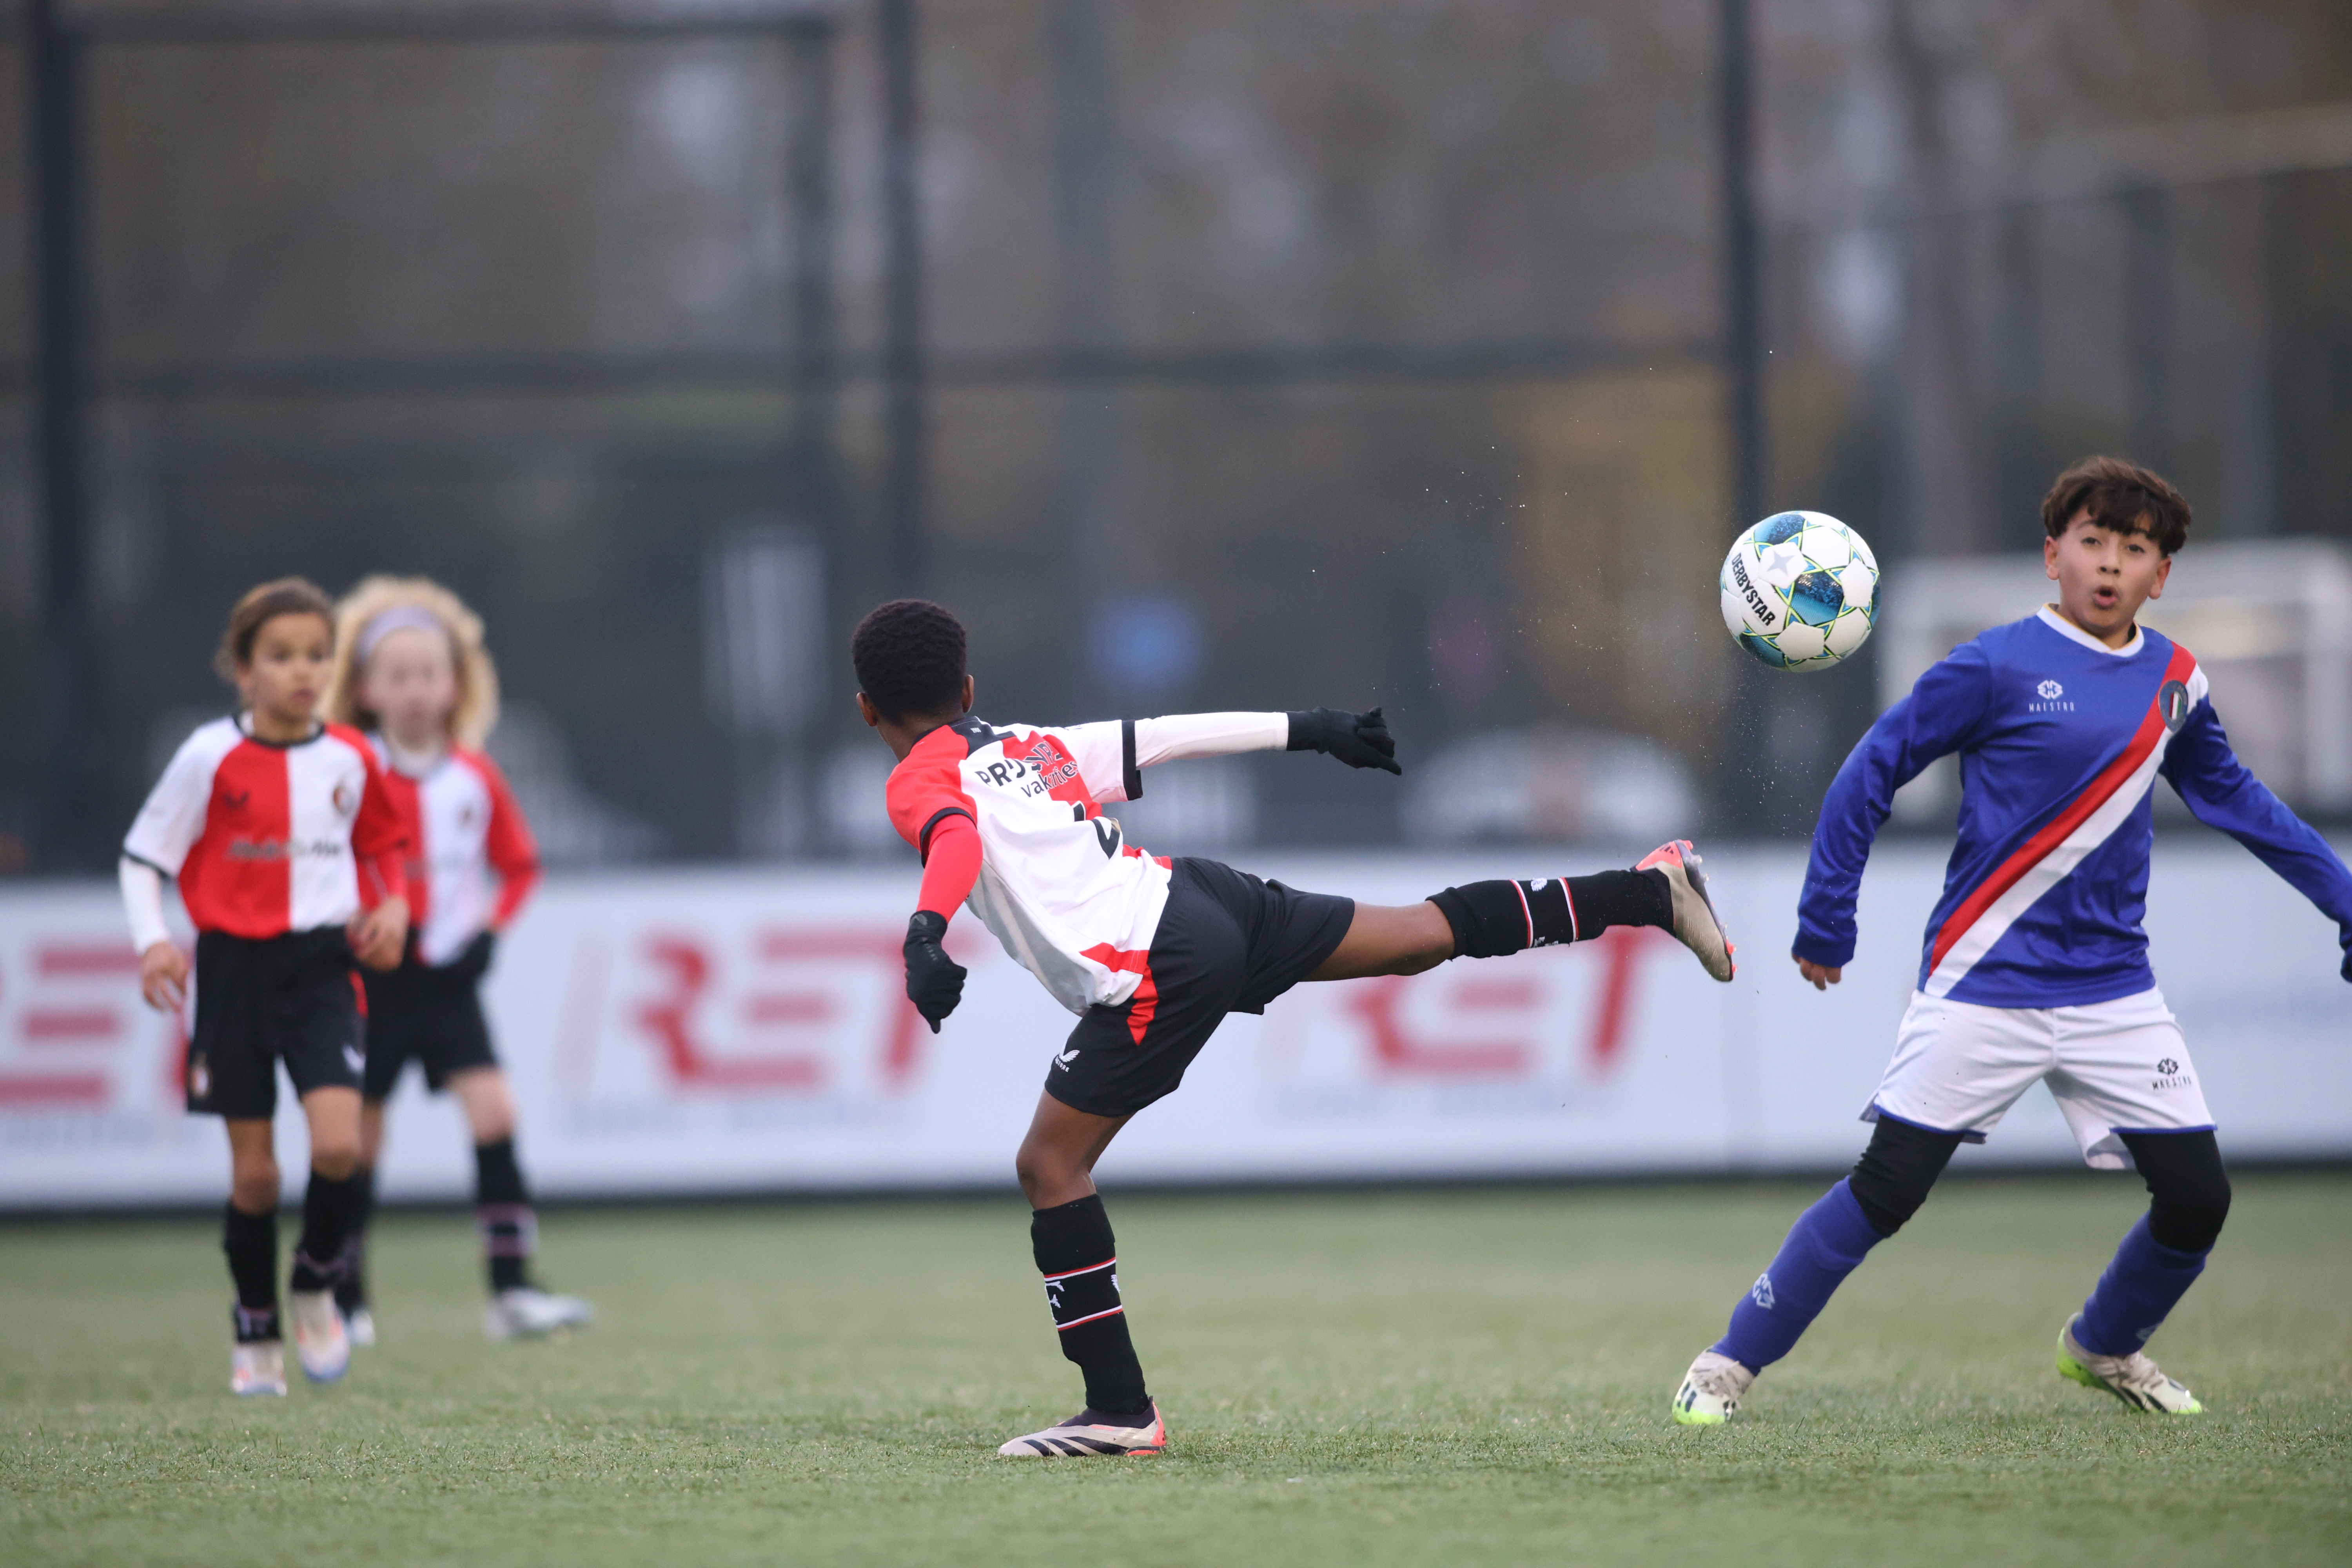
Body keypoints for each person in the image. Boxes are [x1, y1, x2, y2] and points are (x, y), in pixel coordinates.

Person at [852, 597, 1738, 1459]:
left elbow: (955, 840)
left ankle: (1119, 1410)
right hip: (1203, 896)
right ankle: (1648, 890)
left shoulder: (916, 777)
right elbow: (1169, 733)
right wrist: (1314, 728)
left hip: (1157, 963)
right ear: (969, 690)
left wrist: (926, 930)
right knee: (1419, 934)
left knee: (1050, 1165)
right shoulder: (1030, 745)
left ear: (867, 710)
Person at [1671, 457, 2352, 1425]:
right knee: (1887, 1189)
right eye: (2092, 540)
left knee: (2199, 1199)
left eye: (2134, 548)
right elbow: (1872, 768)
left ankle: (2103, 1343)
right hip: (1983, 982)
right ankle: (1727, 1362)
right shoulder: (1994, 665)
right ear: (2052, 555)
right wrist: (1828, 915)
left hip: (2115, 991)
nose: (2109, 563)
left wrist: (2344, 899)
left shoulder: (2176, 681)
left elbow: (2239, 800)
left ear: (2161, 574)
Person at [123, 578, 412, 1396]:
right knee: (256, 1177)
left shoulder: (352, 756)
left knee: (340, 1146)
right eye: (281, 656)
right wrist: (154, 941)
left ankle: (316, 1281)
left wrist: (393, 904)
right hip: (234, 972)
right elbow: (143, 858)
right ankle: (255, 1325)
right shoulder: (207, 756)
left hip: (323, 968)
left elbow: (384, 843)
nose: (302, 670)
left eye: (317, 655)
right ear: (243, 668)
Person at [323, 576, 593, 1344]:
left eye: (428, 673)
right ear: (367, 689)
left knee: (496, 1112)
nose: (414, 689)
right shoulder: (348, 774)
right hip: (372, 980)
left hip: (450, 979)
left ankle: (511, 1292)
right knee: (359, 1136)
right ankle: (344, 1298)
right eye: (397, 675)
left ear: (455, 684)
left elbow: (521, 867)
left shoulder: (474, 776)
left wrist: (487, 932)